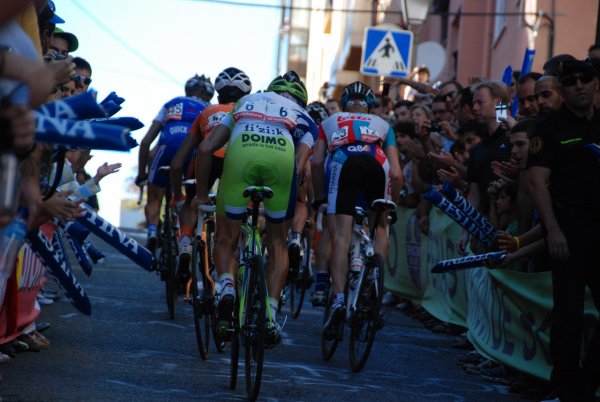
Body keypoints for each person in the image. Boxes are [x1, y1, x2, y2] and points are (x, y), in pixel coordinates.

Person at [192, 71, 318, 347]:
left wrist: (201, 195)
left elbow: (205, 149)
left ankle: (226, 286)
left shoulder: (245, 102)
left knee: (226, 238)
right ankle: (270, 316)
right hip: (280, 167)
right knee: (277, 243)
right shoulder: (305, 117)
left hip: (241, 159)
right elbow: (299, 169)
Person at [528, 59, 600, 401]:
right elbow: (538, 184)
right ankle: (566, 387)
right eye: (571, 81)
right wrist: (553, 230)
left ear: (596, 83)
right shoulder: (549, 128)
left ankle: (586, 384)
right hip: (568, 227)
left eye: (586, 78)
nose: (580, 85)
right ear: (563, 89)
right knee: (568, 312)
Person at [311, 81, 402, 340]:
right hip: (377, 164)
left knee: (341, 234)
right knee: (380, 226)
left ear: (344, 104)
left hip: (344, 162)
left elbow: (317, 162)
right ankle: (374, 285)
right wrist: (391, 205)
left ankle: (338, 298)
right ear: (370, 107)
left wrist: (319, 198)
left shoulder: (330, 121)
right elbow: (396, 173)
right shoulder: (384, 125)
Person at [169, 67, 252, 284]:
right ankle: (241, 256)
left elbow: (177, 163)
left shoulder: (206, 113)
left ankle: (186, 241)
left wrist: (179, 196)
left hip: (208, 159)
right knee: (236, 215)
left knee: (192, 201)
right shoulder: (249, 113)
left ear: (218, 95)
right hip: (239, 161)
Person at [136, 74, 214, 251]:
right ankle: (186, 236)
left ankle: (153, 231)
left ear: (187, 90)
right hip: (192, 151)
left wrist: (142, 175)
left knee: (155, 198)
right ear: (209, 96)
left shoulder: (171, 103)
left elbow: (146, 142)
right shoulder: (210, 108)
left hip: (166, 148)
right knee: (192, 198)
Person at [458, 81, 511, 254]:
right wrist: (466, 231)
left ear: (497, 103)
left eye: (480, 102)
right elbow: (474, 195)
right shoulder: (477, 150)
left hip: (511, 231)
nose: (474, 108)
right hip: (486, 230)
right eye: (473, 103)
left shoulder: (512, 140)